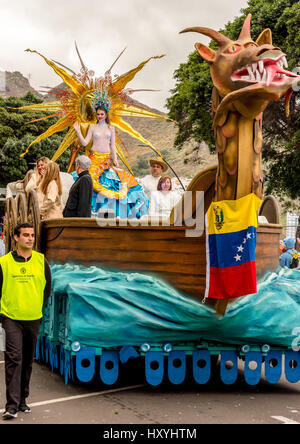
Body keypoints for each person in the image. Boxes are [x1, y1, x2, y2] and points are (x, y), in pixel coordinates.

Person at [0, 222, 51, 419]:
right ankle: (11, 405)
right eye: (25, 235)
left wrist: (38, 307)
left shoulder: (41, 261)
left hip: (33, 318)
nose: (30, 238)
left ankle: (22, 400)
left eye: (32, 235)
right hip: (11, 318)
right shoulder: (4, 262)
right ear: (16, 238)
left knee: (28, 360)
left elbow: (47, 289)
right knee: (14, 359)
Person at [73, 104, 149, 219]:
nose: (100, 116)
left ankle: (122, 198)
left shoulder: (111, 128)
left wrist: (115, 159)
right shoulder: (93, 127)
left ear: (106, 114)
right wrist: (78, 131)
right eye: (98, 114)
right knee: (92, 181)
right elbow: (84, 143)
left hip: (106, 160)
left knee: (121, 177)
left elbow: (113, 146)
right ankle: (110, 199)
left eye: (102, 114)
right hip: (94, 159)